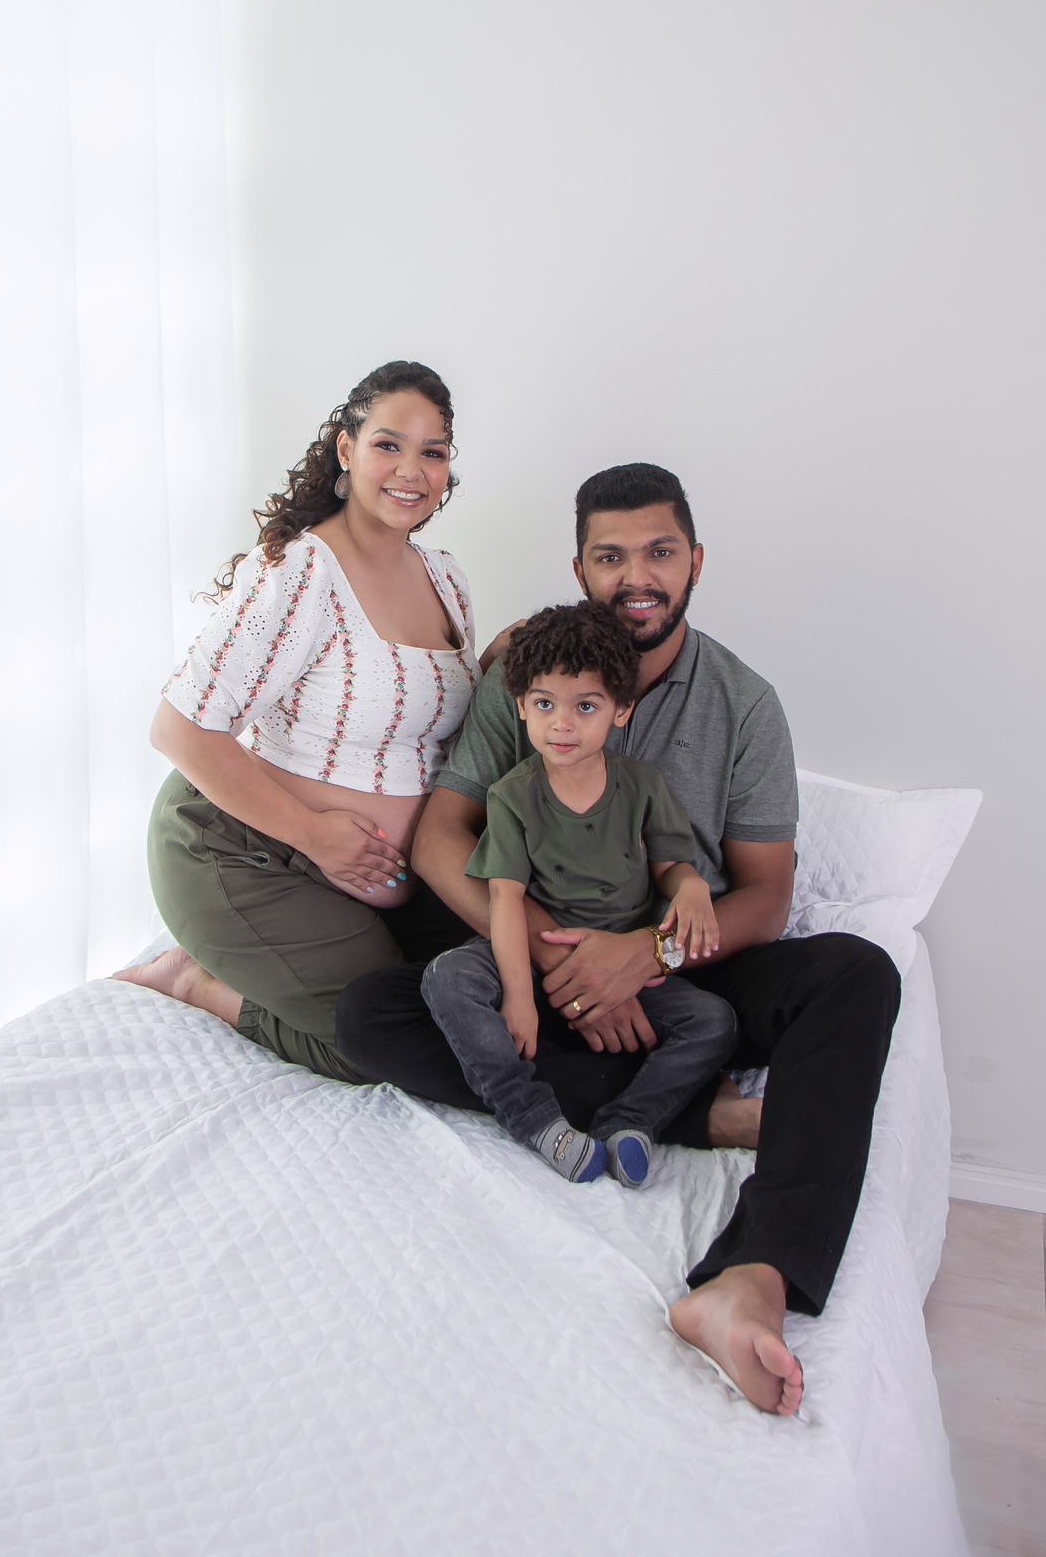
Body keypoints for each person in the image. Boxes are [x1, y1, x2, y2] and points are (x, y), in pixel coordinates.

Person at [335, 462, 901, 1416]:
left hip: (690, 966)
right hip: (543, 954)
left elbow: (765, 896)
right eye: (610, 556)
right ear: (580, 568)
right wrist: (553, 961)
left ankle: (750, 1277)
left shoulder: (743, 703)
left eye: (660, 552)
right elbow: (439, 839)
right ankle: (695, 1111)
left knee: (858, 974)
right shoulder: (527, 672)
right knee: (372, 1016)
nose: (637, 576)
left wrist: (645, 958)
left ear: (695, 562)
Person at [115, 360, 479, 1083]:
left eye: (432, 452)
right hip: (239, 850)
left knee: (466, 1009)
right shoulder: (301, 571)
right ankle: (198, 982)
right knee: (382, 1044)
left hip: (366, 883)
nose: (411, 470)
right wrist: (315, 835)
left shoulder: (445, 576)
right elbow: (177, 729)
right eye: (388, 444)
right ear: (347, 449)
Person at [421, 600, 738, 1187]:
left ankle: (632, 1122)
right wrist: (519, 997)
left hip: (619, 970)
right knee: (447, 978)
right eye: (545, 704)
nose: (562, 724)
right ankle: (536, 1120)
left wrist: (691, 886)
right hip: (526, 957)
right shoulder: (512, 796)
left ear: (621, 709)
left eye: (585, 706)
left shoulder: (642, 788)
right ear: (520, 704)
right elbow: (505, 902)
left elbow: (671, 867)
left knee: (714, 1021)